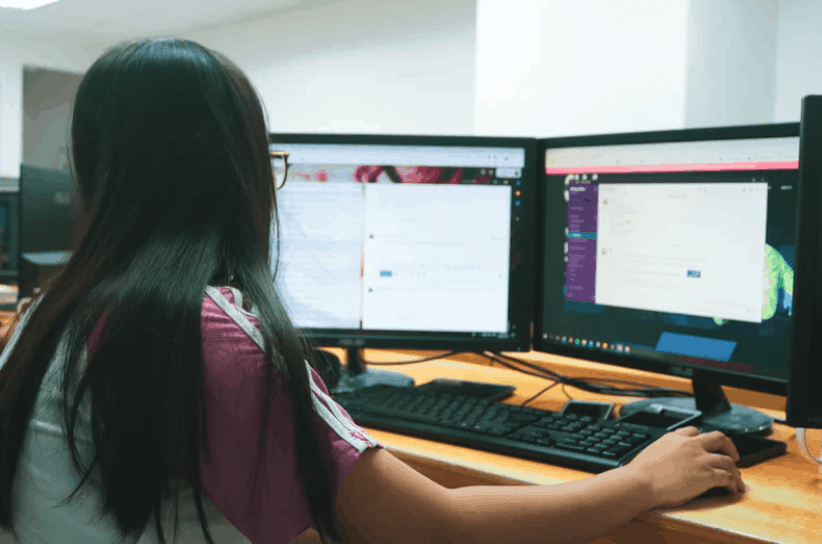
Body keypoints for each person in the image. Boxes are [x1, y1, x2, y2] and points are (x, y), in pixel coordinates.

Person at [0, 38, 745, 544]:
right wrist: (641, 480)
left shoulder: (47, 318)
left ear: (91, 173)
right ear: (238, 174)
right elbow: (434, 528)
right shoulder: (205, 336)